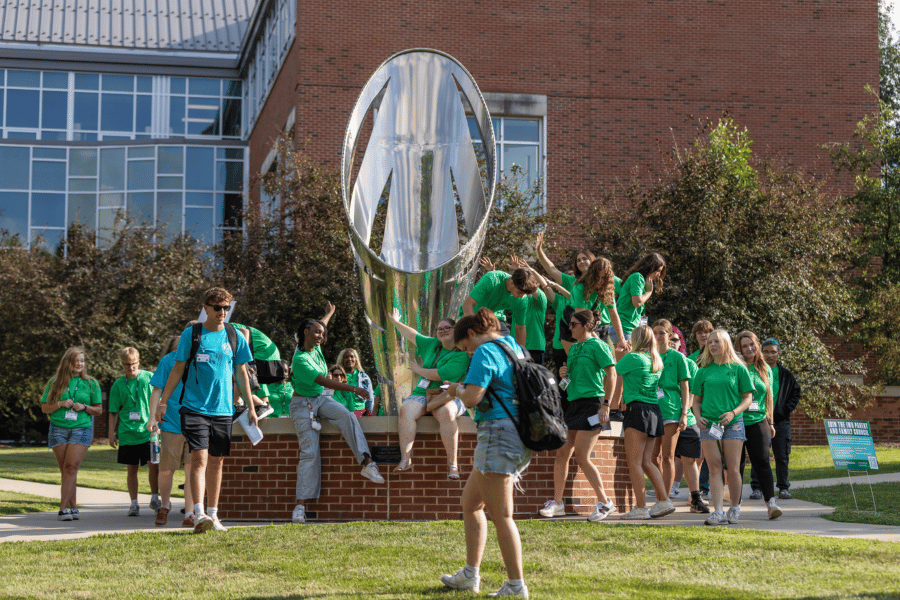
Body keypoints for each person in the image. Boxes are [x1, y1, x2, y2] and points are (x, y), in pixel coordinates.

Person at [442, 308, 532, 598]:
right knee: (470, 503)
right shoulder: (513, 346)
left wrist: (455, 388)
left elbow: (472, 396)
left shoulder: (485, 350)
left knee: (502, 514)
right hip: (520, 431)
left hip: (499, 433)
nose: (468, 354)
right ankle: (470, 574)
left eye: (465, 348)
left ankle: (516, 586)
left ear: (471, 334)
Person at [158, 287, 258, 533]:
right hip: (194, 408)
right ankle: (199, 513)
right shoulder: (192, 335)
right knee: (199, 458)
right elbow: (178, 369)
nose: (222, 312)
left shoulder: (235, 336)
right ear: (206, 309)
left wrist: (251, 406)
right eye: (217, 308)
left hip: (223, 409)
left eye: (226, 308)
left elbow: (242, 372)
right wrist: (163, 402)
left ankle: (214, 515)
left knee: (217, 461)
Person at [289, 303, 385, 525]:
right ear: (305, 332)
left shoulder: (316, 347)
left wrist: (330, 312)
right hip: (302, 404)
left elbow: (322, 324)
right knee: (310, 453)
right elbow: (325, 381)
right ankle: (300, 507)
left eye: (322, 333)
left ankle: (367, 464)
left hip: (321, 399)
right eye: (316, 332)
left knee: (347, 415)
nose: (321, 335)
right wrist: (353, 388)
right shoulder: (300, 359)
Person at [539, 309, 617, 522]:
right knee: (562, 454)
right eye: (570, 324)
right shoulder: (573, 350)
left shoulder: (599, 346)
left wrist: (607, 405)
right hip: (572, 405)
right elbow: (567, 384)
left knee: (582, 457)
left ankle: (605, 502)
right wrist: (563, 376)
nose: (570, 328)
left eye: (574, 324)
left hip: (594, 404)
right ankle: (557, 504)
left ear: (587, 325)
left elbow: (612, 374)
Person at [386, 309, 471, 477]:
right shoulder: (432, 344)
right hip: (423, 392)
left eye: (447, 327)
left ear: (456, 330)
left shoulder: (462, 354)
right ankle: (405, 460)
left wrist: (419, 369)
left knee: (446, 412)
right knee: (405, 410)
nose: (443, 330)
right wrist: (396, 322)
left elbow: (440, 375)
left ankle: (452, 465)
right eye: (440, 329)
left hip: (450, 394)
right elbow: (412, 334)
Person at [690, 329, 754, 526]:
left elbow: (748, 397)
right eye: (710, 342)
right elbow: (696, 401)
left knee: (733, 468)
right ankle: (718, 511)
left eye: (717, 341)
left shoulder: (738, 369)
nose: (713, 345)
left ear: (726, 344)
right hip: (709, 424)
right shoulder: (703, 371)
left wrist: (733, 413)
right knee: (715, 466)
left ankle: (734, 507)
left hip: (733, 423)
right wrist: (698, 416)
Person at [613, 325, 674, 519]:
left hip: (637, 410)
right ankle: (664, 501)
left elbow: (615, 370)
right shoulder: (656, 360)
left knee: (635, 463)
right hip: (654, 410)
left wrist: (620, 352)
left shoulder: (633, 358)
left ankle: (641, 508)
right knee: (647, 461)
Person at [40, 347, 103, 521]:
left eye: (82, 361)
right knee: (66, 470)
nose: (79, 364)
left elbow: (98, 410)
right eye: (76, 361)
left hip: (81, 428)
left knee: (70, 467)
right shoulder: (55, 382)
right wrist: (59, 404)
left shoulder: (91, 383)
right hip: (58, 429)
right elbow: (45, 407)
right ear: (67, 363)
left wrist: (83, 407)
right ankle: (73, 506)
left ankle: (62, 510)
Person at [652, 320, 707, 514]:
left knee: (679, 458)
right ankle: (661, 496)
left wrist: (685, 412)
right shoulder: (648, 355)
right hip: (653, 410)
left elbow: (688, 388)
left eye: (663, 333)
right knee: (652, 458)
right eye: (655, 333)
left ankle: (674, 499)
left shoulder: (680, 359)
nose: (659, 337)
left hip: (675, 413)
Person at [734, 331, 783, 520]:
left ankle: (771, 504)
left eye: (752, 344)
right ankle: (735, 506)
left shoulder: (765, 369)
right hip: (736, 422)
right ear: (739, 349)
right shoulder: (735, 367)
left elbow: (769, 397)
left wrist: (770, 422)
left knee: (762, 462)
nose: (749, 349)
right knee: (736, 466)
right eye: (744, 346)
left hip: (759, 421)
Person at [147, 336, 195, 527]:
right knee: (167, 470)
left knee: (192, 471)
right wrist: (152, 417)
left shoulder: (202, 359)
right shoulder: (168, 361)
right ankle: (164, 506)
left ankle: (190, 514)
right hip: (171, 424)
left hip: (195, 424)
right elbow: (156, 390)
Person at [108, 347, 159, 517]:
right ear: (122, 365)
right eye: (127, 365)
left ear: (139, 361)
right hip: (127, 433)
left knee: (154, 465)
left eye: (134, 364)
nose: (131, 368)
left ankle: (154, 498)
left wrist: (158, 422)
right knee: (132, 469)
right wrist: (111, 433)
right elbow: (113, 411)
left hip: (148, 431)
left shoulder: (149, 378)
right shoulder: (118, 385)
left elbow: (159, 401)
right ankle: (134, 503)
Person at [533, 232, 589, 380]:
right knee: (565, 382)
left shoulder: (599, 283)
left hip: (589, 338)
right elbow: (549, 275)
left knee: (584, 377)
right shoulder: (563, 298)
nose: (573, 285)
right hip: (562, 344)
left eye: (585, 259)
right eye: (579, 260)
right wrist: (539, 252)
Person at [751, 338, 801, 500]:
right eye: (766, 351)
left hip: (780, 420)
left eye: (773, 352)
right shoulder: (755, 371)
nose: (769, 355)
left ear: (778, 353)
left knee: (782, 454)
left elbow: (795, 394)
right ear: (761, 352)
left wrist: (784, 410)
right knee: (760, 454)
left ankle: (783, 488)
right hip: (759, 418)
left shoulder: (785, 374)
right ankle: (757, 488)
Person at [461, 264, 538, 348]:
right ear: (512, 283)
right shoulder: (492, 279)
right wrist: (477, 333)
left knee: (506, 347)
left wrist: (522, 354)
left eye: (524, 294)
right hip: (474, 316)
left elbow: (520, 328)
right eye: (520, 292)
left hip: (496, 319)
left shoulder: (522, 299)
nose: (522, 296)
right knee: (477, 349)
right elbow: (467, 305)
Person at [614, 253, 666, 346]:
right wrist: (649, 292)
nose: (658, 275)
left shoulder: (640, 280)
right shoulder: (637, 277)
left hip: (630, 329)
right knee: (626, 360)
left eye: (660, 272)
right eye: (657, 270)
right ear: (650, 267)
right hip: (624, 328)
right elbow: (637, 302)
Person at [335, 348, 374, 415]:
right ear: (342, 360)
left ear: (356, 359)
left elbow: (370, 399)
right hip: (340, 413)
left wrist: (370, 415)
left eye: (352, 357)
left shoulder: (364, 377)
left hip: (360, 414)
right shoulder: (336, 376)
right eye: (346, 357)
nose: (349, 359)